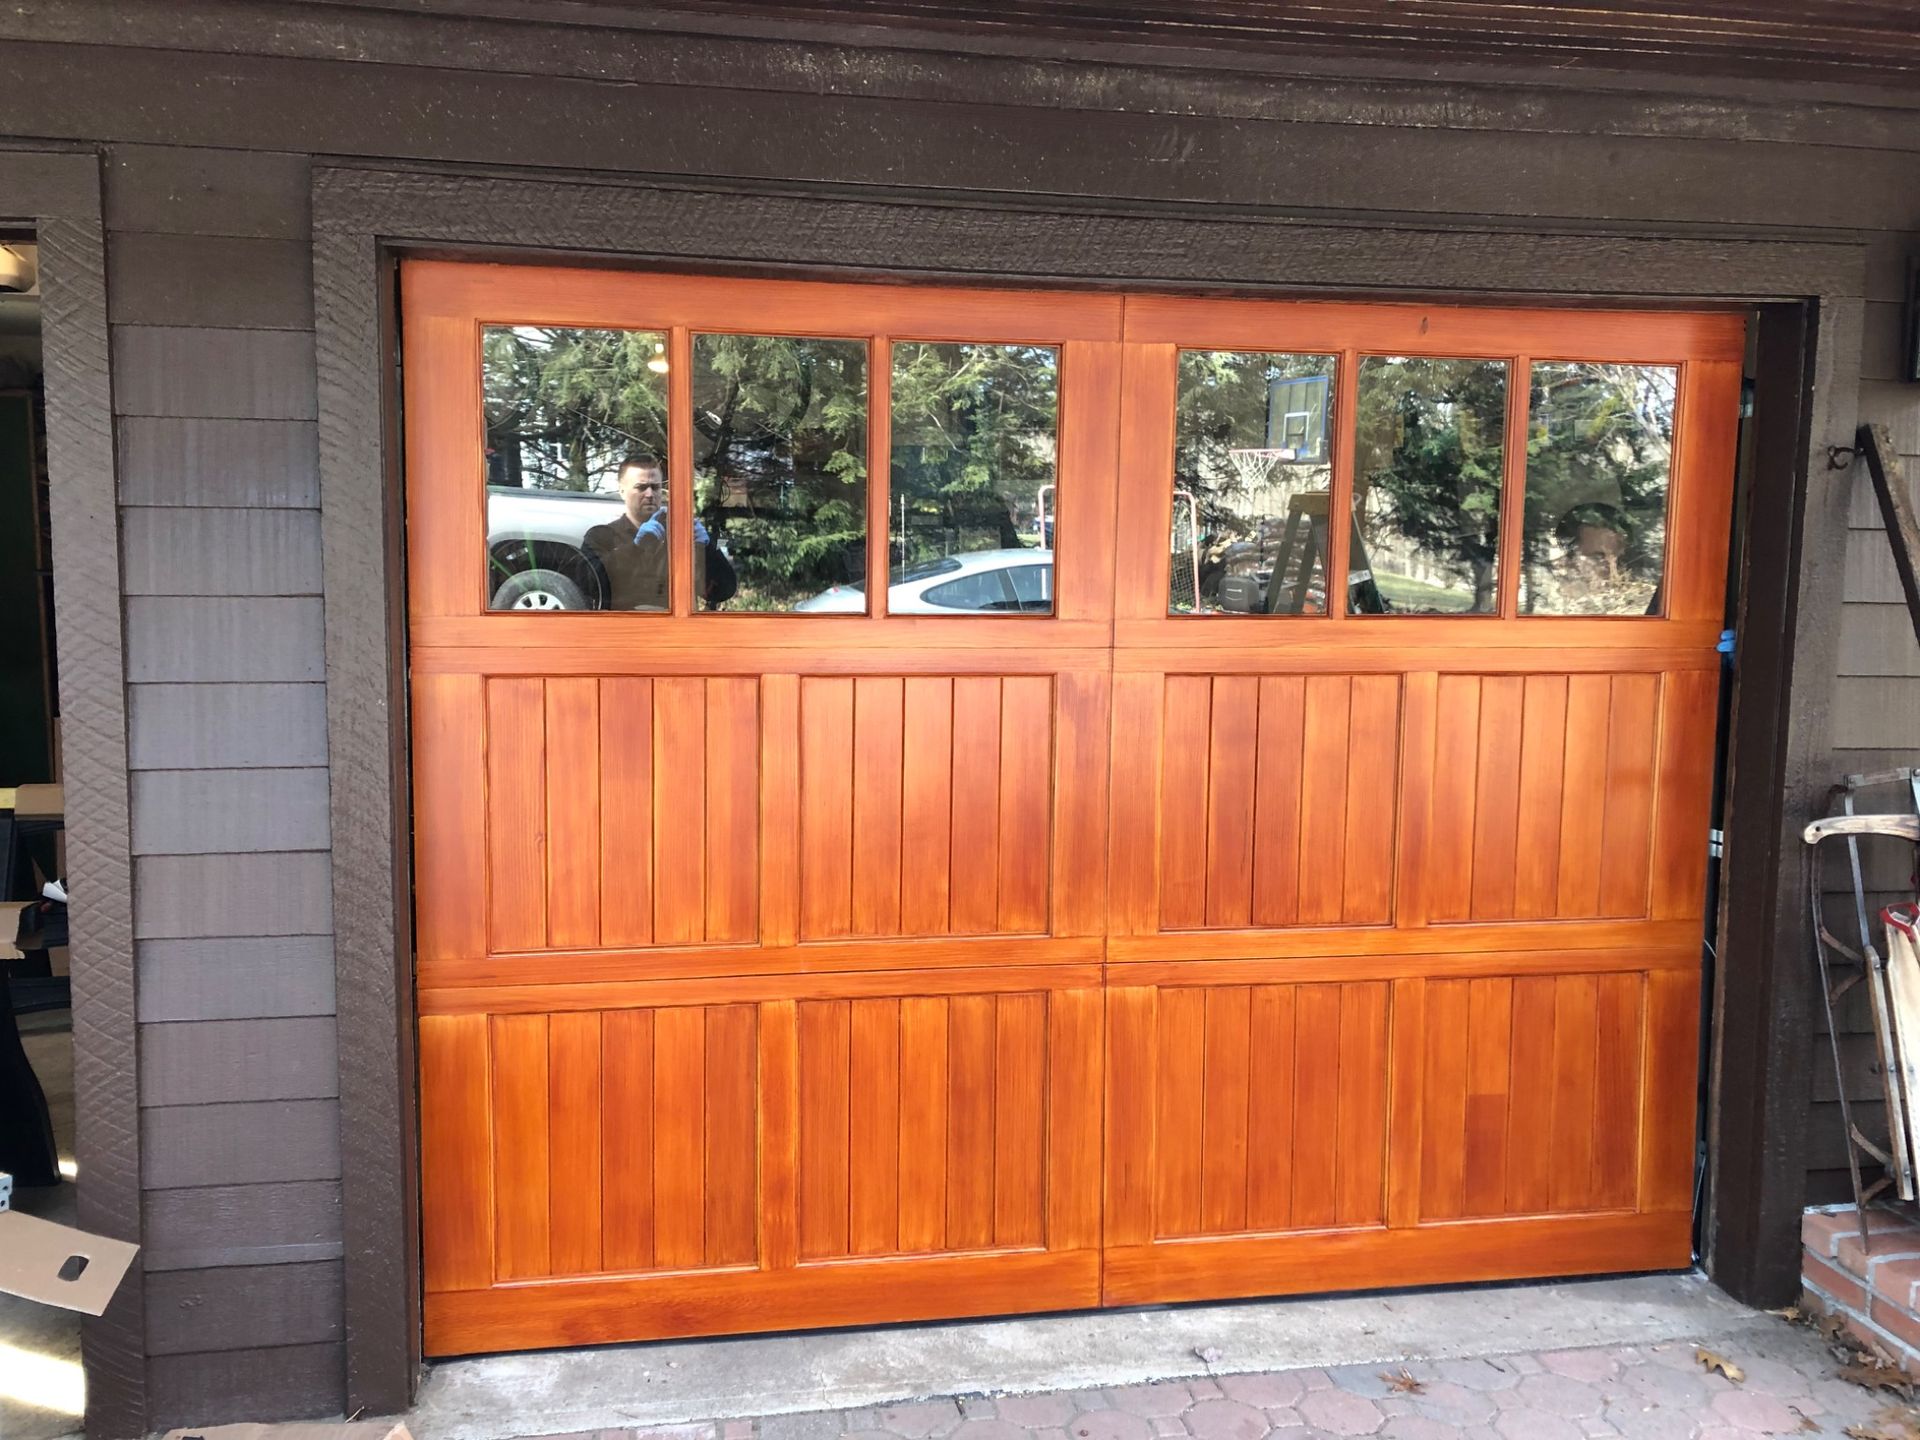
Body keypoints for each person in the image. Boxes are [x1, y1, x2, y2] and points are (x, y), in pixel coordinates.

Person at [583, 454, 737, 610]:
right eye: (641, 487)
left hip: (675, 631)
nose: (650, 494)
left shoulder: (681, 538)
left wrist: (707, 548)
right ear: (622, 490)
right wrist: (636, 548)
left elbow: (723, 591)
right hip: (623, 630)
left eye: (655, 487)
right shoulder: (601, 537)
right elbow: (589, 587)